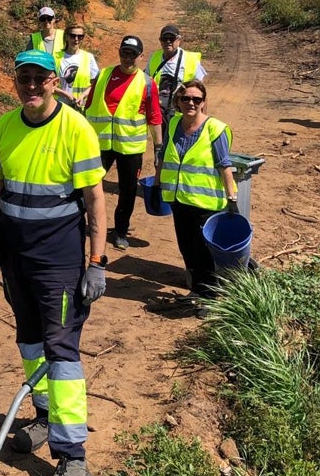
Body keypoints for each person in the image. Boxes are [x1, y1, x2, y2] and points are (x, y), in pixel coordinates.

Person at [0, 49, 107, 476]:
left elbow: (94, 201)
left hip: (59, 260)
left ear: (54, 81)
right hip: (15, 255)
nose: (31, 86)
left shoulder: (75, 128)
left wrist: (97, 262)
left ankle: (73, 461)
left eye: (39, 78)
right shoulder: (6, 126)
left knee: (61, 350)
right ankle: (45, 416)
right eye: (23, 78)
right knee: (28, 339)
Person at [158, 80, 238, 305]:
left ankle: (210, 298)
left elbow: (225, 165)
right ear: (178, 102)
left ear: (204, 102)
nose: (191, 103)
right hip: (179, 199)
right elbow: (164, 156)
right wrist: (156, 185)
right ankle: (197, 291)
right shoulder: (174, 124)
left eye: (196, 99)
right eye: (185, 98)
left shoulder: (215, 129)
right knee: (187, 248)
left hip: (206, 203)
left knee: (203, 252)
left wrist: (232, 198)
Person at [83, 36, 163, 250]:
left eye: (132, 54)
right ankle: (80, 224)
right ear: (119, 52)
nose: (128, 58)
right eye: (124, 53)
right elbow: (88, 107)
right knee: (87, 184)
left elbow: (154, 117)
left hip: (130, 147)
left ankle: (120, 231)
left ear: (140, 56)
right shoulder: (103, 75)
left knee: (127, 191)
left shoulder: (147, 83)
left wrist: (158, 148)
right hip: (100, 145)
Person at [146, 24, 206, 141]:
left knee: (181, 144)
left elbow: (201, 91)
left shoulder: (189, 60)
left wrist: (201, 116)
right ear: (160, 41)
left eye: (172, 38)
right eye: (165, 39)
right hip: (160, 113)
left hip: (183, 113)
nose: (168, 42)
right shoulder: (154, 58)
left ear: (179, 40)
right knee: (160, 147)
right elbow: (147, 83)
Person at [54, 24, 99, 111]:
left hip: (81, 107)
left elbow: (95, 85)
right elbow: (48, 84)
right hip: (60, 106)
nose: (76, 39)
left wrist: (83, 96)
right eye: (73, 36)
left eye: (80, 36)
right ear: (66, 37)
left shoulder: (88, 57)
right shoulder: (56, 57)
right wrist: (65, 94)